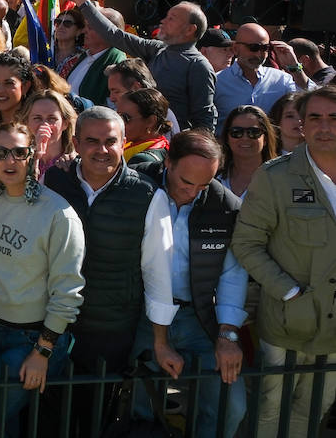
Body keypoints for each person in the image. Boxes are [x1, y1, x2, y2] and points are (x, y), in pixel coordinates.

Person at [43, 107, 179, 424]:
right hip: (53, 324)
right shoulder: (54, 181)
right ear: (75, 143)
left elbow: (158, 272)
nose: (102, 150)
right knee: (48, 415)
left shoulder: (148, 195)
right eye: (92, 141)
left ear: (123, 143)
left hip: (111, 330)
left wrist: (161, 342)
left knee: (94, 417)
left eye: (110, 141)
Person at [231, 85, 336, 438]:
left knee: (314, 410)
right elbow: (246, 244)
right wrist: (289, 293)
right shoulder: (275, 177)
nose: (325, 127)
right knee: (269, 410)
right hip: (286, 324)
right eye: (315, 118)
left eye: (334, 118)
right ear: (301, 125)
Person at [129, 129, 247, 438]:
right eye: (186, 182)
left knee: (230, 406)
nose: (194, 192)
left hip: (198, 317)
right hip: (141, 315)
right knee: (139, 408)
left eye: (204, 184)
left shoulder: (225, 206)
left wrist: (228, 334)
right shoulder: (134, 186)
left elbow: (232, 273)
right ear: (168, 162)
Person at [0, 122, 85, 438]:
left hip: (31, 339)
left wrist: (43, 351)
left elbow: (68, 291)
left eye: (19, 152)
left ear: (32, 155)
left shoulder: (59, 214)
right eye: (1, 152)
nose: (10, 160)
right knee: (2, 426)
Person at [67, 0, 216, 131]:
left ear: (190, 29)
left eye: (172, 18)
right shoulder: (157, 49)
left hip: (172, 144)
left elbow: (204, 118)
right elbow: (115, 35)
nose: (163, 21)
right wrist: (82, 1)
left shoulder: (198, 65)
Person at [213, 22, 309, 133]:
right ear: (235, 48)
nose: (259, 54)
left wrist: (294, 66)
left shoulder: (281, 79)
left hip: (272, 149)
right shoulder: (218, 81)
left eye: (265, 48)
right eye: (253, 47)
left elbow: (310, 101)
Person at [65, 5, 127, 106]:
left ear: (109, 31)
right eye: (85, 26)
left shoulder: (117, 63)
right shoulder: (84, 56)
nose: (84, 31)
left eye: (91, 27)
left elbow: (112, 106)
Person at [218, 104, 278, 197]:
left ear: (265, 139)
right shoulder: (213, 177)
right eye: (236, 132)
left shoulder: (281, 178)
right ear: (227, 138)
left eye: (253, 132)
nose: (245, 138)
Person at [24, 89, 76, 180]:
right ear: (27, 122)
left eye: (52, 118)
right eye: (37, 118)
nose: (44, 125)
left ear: (65, 123)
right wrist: (37, 156)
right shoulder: (19, 158)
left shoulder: (72, 162)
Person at [120, 87, 171, 165]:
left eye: (125, 118)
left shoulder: (143, 160)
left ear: (151, 121)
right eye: (117, 116)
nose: (119, 123)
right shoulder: (161, 145)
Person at [51, 6, 88, 77]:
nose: (61, 27)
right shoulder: (47, 51)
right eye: (58, 22)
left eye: (67, 23)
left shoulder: (83, 57)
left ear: (79, 31)